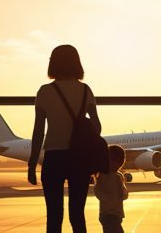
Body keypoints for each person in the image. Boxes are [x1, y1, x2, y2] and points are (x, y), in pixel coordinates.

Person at [28, 45, 102, 233]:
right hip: (80, 159)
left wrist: (31, 164)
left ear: (53, 64)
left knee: (54, 216)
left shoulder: (45, 91)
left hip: (54, 158)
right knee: (77, 215)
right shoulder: (86, 90)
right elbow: (97, 126)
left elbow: (38, 132)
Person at [95, 145, 129, 233]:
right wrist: (107, 197)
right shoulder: (103, 176)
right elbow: (98, 191)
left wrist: (122, 193)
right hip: (107, 214)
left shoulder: (119, 176)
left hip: (117, 214)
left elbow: (124, 194)